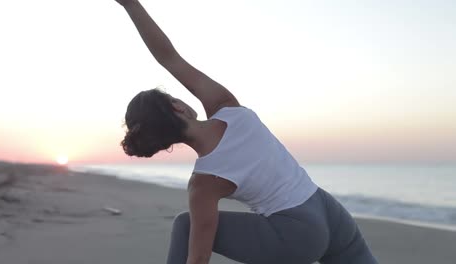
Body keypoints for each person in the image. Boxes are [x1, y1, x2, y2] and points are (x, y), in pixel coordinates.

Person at [114, 0, 378, 263]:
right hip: (325, 207)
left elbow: (198, 258)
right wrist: (131, 5)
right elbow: (169, 58)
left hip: (295, 234)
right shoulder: (225, 106)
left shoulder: (203, 183)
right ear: (178, 106)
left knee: (185, 225)